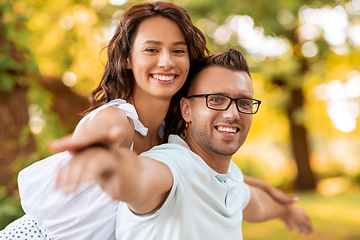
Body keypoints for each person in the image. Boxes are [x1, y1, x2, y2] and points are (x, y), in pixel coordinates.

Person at [0, 2, 297, 240]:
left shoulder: (169, 132)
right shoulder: (118, 119)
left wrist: (275, 199)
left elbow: (220, 179)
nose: (166, 61)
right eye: (152, 49)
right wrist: (98, 152)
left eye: (178, 51)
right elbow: (106, 135)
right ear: (128, 59)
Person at [55, 49, 315, 239]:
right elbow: (139, 179)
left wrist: (287, 213)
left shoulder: (229, 178)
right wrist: (113, 166)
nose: (233, 113)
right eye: (216, 99)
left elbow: (255, 203)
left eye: (244, 103)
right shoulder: (173, 164)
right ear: (187, 109)